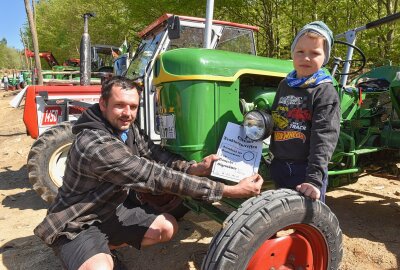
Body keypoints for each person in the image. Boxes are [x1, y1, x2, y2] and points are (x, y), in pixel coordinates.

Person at [34, 76, 263, 270]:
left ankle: (106, 246)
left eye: (133, 107)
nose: (127, 113)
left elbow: (155, 154)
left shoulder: (126, 129)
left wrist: (195, 168)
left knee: (167, 227)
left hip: (111, 209)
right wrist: (229, 190)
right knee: (100, 267)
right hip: (79, 221)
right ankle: (88, 254)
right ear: (102, 104)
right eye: (120, 105)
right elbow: (154, 175)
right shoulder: (95, 144)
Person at [269, 21, 340, 202]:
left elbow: (324, 137)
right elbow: (276, 118)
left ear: (325, 57)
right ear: (292, 53)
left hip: (306, 171)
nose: (306, 58)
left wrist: (314, 179)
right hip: (279, 165)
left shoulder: (324, 91)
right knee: (281, 216)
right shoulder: (284, 85)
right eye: (300, 51)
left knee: (308, 222)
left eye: (315, 53)